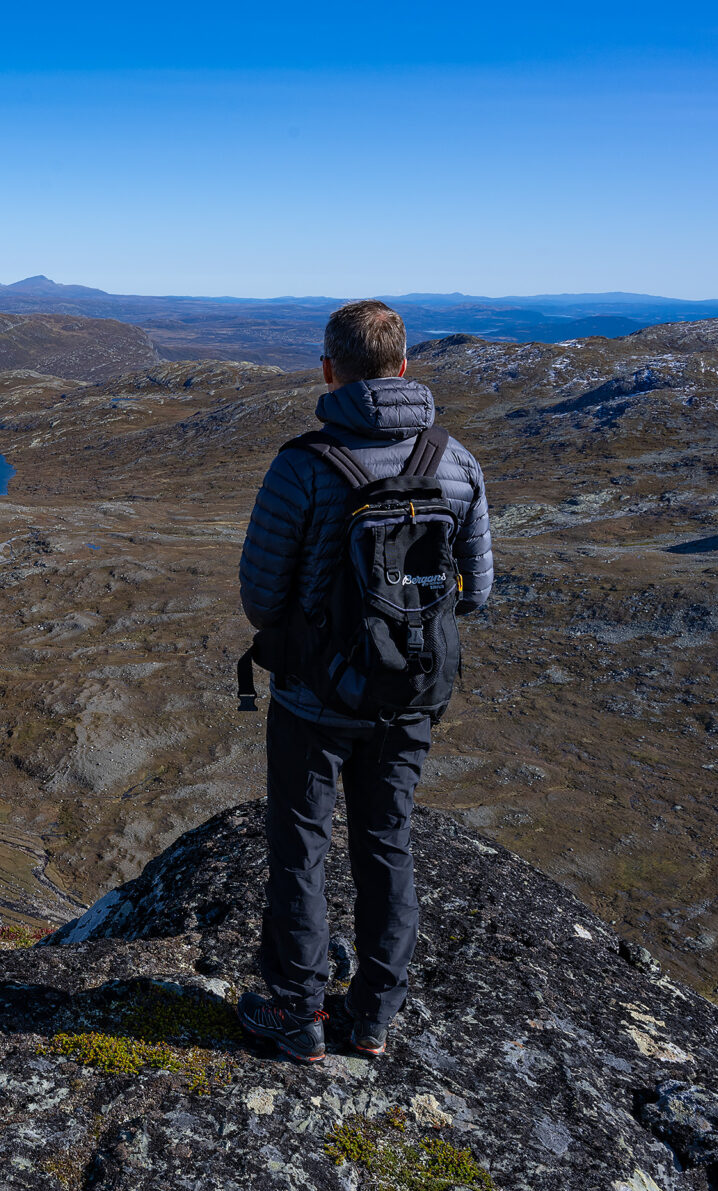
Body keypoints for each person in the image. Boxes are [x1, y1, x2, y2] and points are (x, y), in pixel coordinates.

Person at [234, 299, 493, 1063]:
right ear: (405, 366)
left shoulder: (304, 465)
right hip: (411, 695)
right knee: (387, 845)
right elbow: (474, 593)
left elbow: (259, 596)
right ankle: (373, 1018)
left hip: (315, 698)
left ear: (329, 369)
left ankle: (296, 1010)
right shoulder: (458, 463)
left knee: (300, 849)